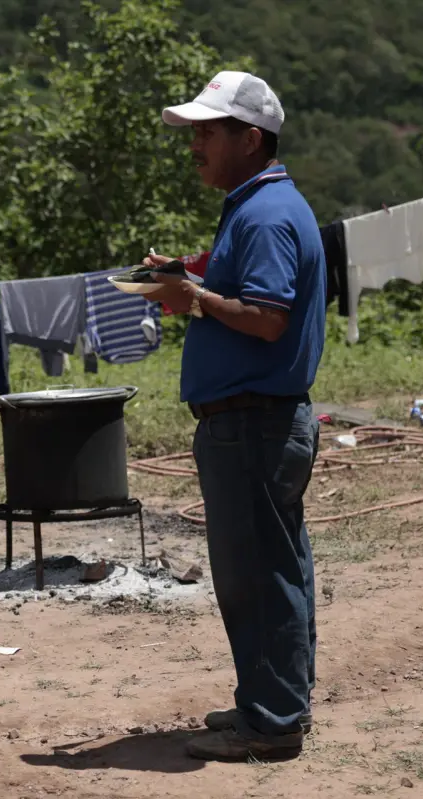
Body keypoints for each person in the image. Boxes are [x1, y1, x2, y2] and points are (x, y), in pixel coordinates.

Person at [145, 71, 325, 762]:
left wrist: (192, 295)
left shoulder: (266, 214)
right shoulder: (257, 207)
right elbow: (244, 292)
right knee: (277, 568)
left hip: (253, 423)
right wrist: (190, 275)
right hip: (260, 422)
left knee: (256, 576)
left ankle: (272, 721)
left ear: (250, 139)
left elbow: (267, 319)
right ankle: (277, 700)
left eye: (207, 131)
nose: (194, 143)